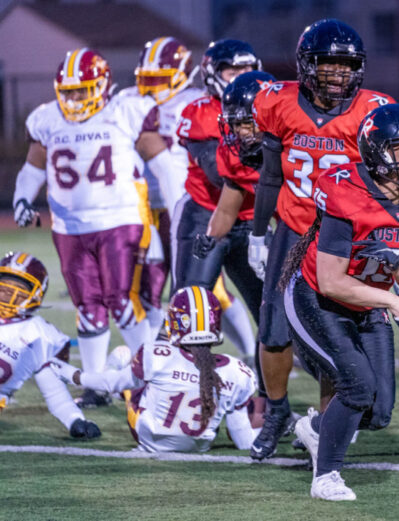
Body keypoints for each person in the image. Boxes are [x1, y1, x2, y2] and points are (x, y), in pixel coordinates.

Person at [246, 18, 394, 460]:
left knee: (336, 328)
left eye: (346, 66)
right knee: (273, 330)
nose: (337, 74)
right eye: (328, 65)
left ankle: (327, 423)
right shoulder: (278, 103)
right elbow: (271, 176)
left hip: (343, 235)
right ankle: (276, 413)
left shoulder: (372, 110)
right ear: (307, 66)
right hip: (293, 231)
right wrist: (258, 234)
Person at [287, 104, 399, 500]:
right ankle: (326, 477)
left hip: (367, 302)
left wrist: (393, 261)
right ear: (377, 154)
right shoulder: (346, 193)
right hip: (316, 298)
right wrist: (392, 300)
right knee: (358, 386)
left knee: (379, 412)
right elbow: (331, 281)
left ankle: (315, 429)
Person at [12, 48, 171, 407]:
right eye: (67, 91)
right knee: (87, 307)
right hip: (68, 226)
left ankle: (151, 377)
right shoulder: (47, 118)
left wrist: (178, 201)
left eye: (81, 90)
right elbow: (33, 168)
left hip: (119, 221)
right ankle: (96, 385)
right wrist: (23, 198)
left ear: (101, 86)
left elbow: (162, 162)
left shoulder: (123, 112)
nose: (73, 98)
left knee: (121, 300)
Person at [50, 286, 259, 453]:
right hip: (199, 447)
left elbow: (109, 383)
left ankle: (119, 372)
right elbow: (243, 439)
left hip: (150, 439)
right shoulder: (237, 372)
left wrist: (75, 375)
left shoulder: (157, 355)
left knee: (129, 375)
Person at [173, 39, 262, 368]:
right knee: (189, 311)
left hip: (255, 222)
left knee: (274, 316)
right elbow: (219, 172)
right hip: (205, 220)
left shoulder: (271, 110)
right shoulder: (200, 113)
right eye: (233, 70)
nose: (241, 76)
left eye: (247, 69)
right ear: (212, 74)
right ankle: (176, 394)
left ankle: (272, 408)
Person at [129, 36, 205, 339]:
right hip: (145, 205)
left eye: (160, 79)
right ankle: (156, 350)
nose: (152, 87)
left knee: (210, 288)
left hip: (187, 199)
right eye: (148, 79)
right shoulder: (130, 102)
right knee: (149, 283)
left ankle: (250, 356)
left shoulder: (196, 101)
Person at [0, 252, 101, 439]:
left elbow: (53, 389)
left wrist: (75, 420)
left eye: (18, 289)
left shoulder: (40, 335)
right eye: (4, 286)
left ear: (36, 295)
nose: (7, 293)